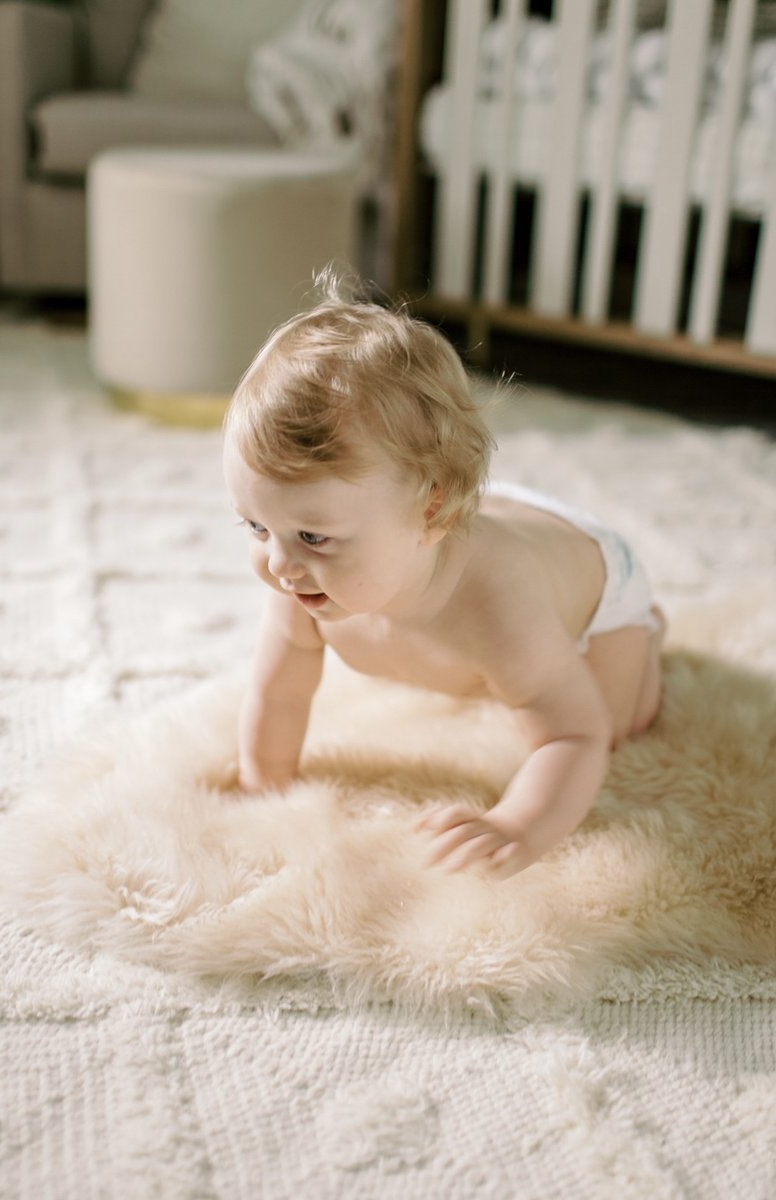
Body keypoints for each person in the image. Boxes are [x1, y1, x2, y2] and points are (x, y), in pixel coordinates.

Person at [222, 274, 665, 881]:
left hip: (591, 572)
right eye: (254, 526)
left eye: (313, 536)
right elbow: (280, 693)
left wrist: (518, 825)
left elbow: (574, 736)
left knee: (620, 724)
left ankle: (650, 633)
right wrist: (261, 786)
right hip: (458, 511)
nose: (277, 564)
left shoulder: (500, 605)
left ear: (432, 513)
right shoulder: (304, 572)